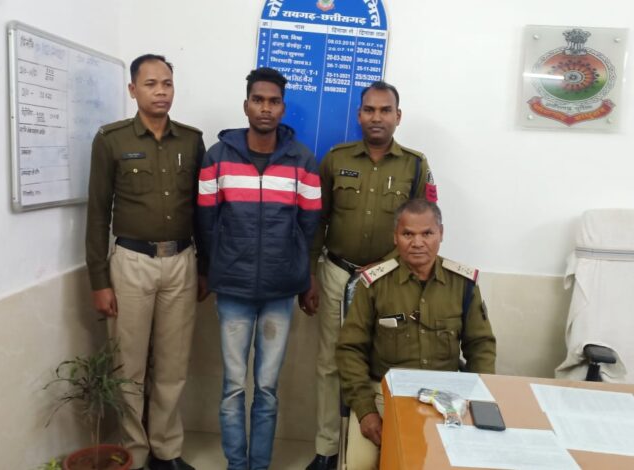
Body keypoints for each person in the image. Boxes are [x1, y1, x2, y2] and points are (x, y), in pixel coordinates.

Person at [302, 81, 437, 470]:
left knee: (381, 363)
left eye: (385, 110)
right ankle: (327, 450)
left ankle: (379, 447)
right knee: (330, 363)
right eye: (370, 110)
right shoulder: (336, 159)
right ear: (359, 115)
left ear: (398, 116)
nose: (377, 117)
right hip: (336, 273)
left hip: (389, 280)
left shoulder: (415, 165)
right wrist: (310, 273)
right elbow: (318, 220)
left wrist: (388, 267)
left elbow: (423, 224)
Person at [196, 67, 321, 470]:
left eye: (273, 101)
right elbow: (205, 222)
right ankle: (237, 465)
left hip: (280, 291)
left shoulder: (303, 161)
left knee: (266, 388)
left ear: (283, 108)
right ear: (246, 104)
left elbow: (310, 226)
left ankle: (259, 465)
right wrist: (210, 269)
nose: (265, 108)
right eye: (258, 100)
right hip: (232, 289)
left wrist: (304, 276)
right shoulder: (217, 158)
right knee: (233, 387)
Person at [85, 54, 204, 470]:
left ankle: (166, 450)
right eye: (151, 84)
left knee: (173, 365)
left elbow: (201, 209)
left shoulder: (191, 141)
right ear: (133, 90)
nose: (161, 92)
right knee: (129, 365)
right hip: (132, 262)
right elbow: (97, 213)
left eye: (167, 83)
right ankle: (134, 454)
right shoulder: (111, 140)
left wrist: (204, 267)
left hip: (182, 260)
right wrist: (99, 280)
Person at [336, 199, 496, 470]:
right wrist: (365, 411)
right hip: (383, 394)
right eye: (408, 234)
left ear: (441, 234)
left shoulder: (463, 284)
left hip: (445, 396)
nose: (417, 242)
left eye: (427, 233)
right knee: (360, 463)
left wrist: (478, 401)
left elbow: (481, 346)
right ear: (395, 236)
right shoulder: (374, 284)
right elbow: (350, 349)